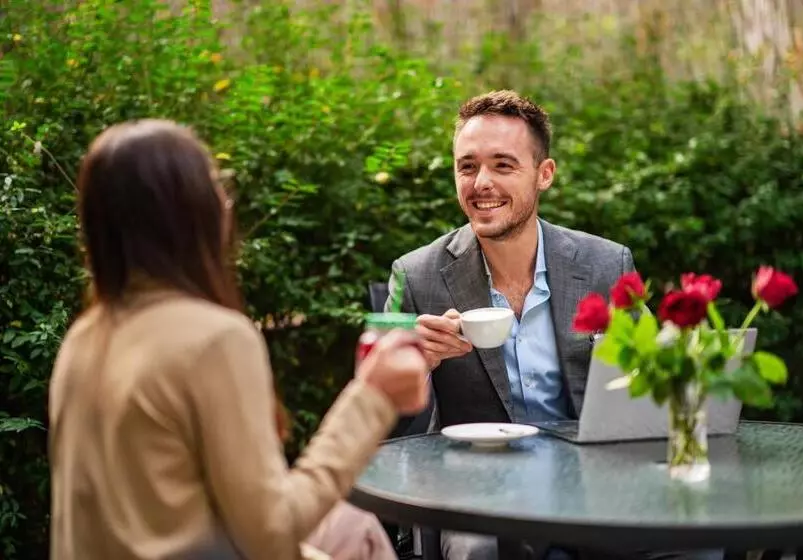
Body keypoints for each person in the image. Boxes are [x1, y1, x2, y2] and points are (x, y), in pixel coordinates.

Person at [48, 119, 429, 560]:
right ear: (193, 214)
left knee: (352, 524)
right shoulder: (214, 340)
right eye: (215, 184)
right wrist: (373, 397)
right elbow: (271, 534)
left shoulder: (83, 337)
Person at [384, 90, 635, 560]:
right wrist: (414, 368)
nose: (482, 183)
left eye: (503, 165)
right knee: (482, 551)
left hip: (594, 485)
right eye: (467, 167)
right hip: (477, 492)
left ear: (545, 174)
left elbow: (653, 390)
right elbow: (384, 429)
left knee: (698, 542)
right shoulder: (416, 275)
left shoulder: (606, 265)